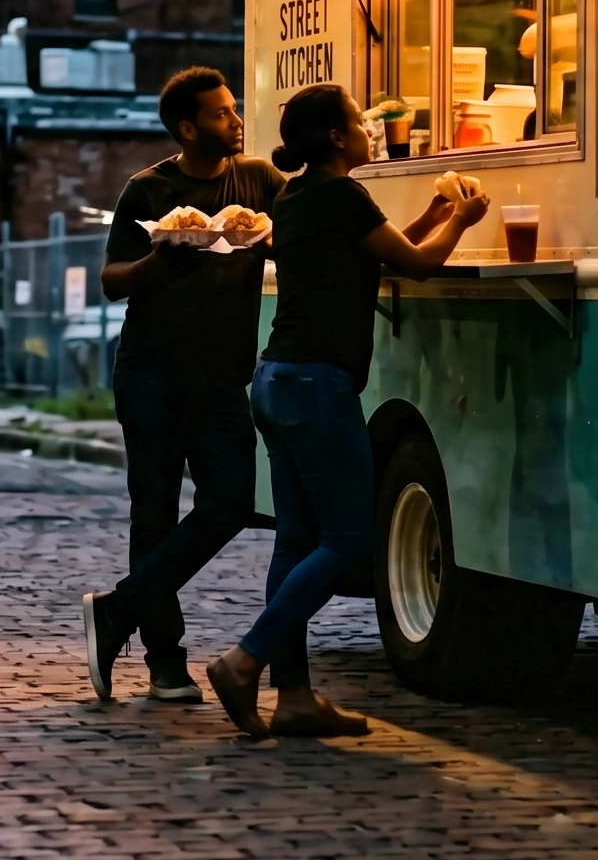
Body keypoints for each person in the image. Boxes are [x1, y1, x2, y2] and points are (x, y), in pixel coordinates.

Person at [205, 82, 487, 738]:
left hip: (275, 380)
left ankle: (296, 696)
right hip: (316, 386)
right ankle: (246, 660)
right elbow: (416, 264)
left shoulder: (300, 196)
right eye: (359, 121)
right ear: (337, 137)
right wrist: (463, 222)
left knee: (298, 538)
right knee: (349, 538)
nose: (366, 129)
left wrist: (434, 209)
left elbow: (380, 248)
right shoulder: (342, 194)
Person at [82, 68, 285, 704]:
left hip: (225, 374)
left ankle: (116, 610)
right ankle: (165, 661)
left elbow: (297, 230)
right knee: (155, 512)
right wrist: (160, 260)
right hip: (151, 373)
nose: (236, 121)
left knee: (229, 505)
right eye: (222, 114)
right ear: (187, 127)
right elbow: (113, 280)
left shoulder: (257, 180)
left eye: (234, 110)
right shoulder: (149, 190)